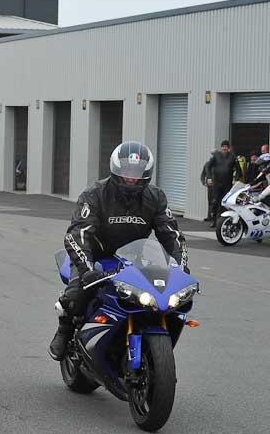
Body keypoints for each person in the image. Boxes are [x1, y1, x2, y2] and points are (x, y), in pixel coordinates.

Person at [48, 141, 189, 361]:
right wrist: (86, 269)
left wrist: (181, 266)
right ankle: (64, 330)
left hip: (133, 257)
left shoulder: (156, 197)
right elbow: (79, 233)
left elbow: (171, 234)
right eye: (126, 171)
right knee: (77, 292)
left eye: (136, 172)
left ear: (147, 173)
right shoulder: (94, 194)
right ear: (115, 168)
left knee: (163, 298)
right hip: (95, 255)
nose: (131, 177)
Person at [203, 140, 241, 227]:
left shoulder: (233, 156)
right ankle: (214, 220)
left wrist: (236, 179)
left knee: (225, 203)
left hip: (227, 184)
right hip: (217, 183)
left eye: (226, 146)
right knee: (215, 201)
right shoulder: (216, 155)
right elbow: (208, 166)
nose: (224, 148)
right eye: (223, 146)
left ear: (229, 148)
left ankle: (223, 222)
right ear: (221, 148)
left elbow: (238, 170)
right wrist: (209, 177)